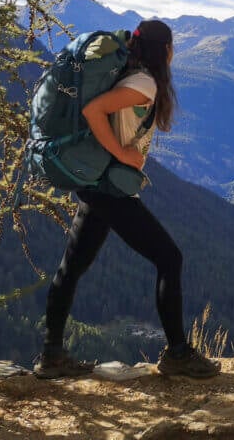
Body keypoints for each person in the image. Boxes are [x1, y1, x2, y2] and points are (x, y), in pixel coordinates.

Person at [36, 19, 221, 380]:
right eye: (173, 46)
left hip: (98, 186)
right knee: (169, 258)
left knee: (71, 268)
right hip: (110, 190)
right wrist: (123, 154)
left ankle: (52, 355)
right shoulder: (144, 82)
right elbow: (94, 111)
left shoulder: (136, 76)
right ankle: (177, 354)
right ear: (164, 50)